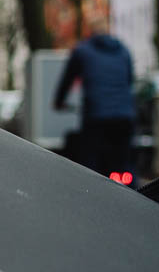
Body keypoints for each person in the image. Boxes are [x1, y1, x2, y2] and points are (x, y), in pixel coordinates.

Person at [53, 27, 135, 179]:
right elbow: (130, 81)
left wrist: (58, 102)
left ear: (89, 35)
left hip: (97, 116)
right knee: (123, 163)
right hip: (124, 116)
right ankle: (128, 185)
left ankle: (92, 188)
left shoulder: (82, 50)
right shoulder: (124, 50)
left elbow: (67, 80)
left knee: (91, 164)